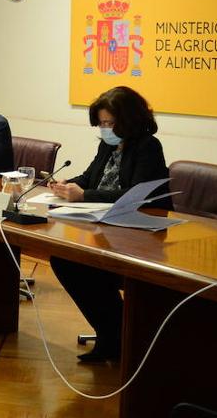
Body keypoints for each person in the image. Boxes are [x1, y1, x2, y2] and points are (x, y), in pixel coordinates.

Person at [49, 85, 172, 364]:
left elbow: (135, 194)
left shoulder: (148, 147)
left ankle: (118, 337)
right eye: (102, 123)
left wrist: (84, 195)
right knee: (65, 259)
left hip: (140, 235)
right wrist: (67, 184)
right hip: (105, 228)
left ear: (129, 120)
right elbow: (90, 177)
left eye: (110, 123)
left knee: (83, 265)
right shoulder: (107, 145)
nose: (105, 129)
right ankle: (112, 334)